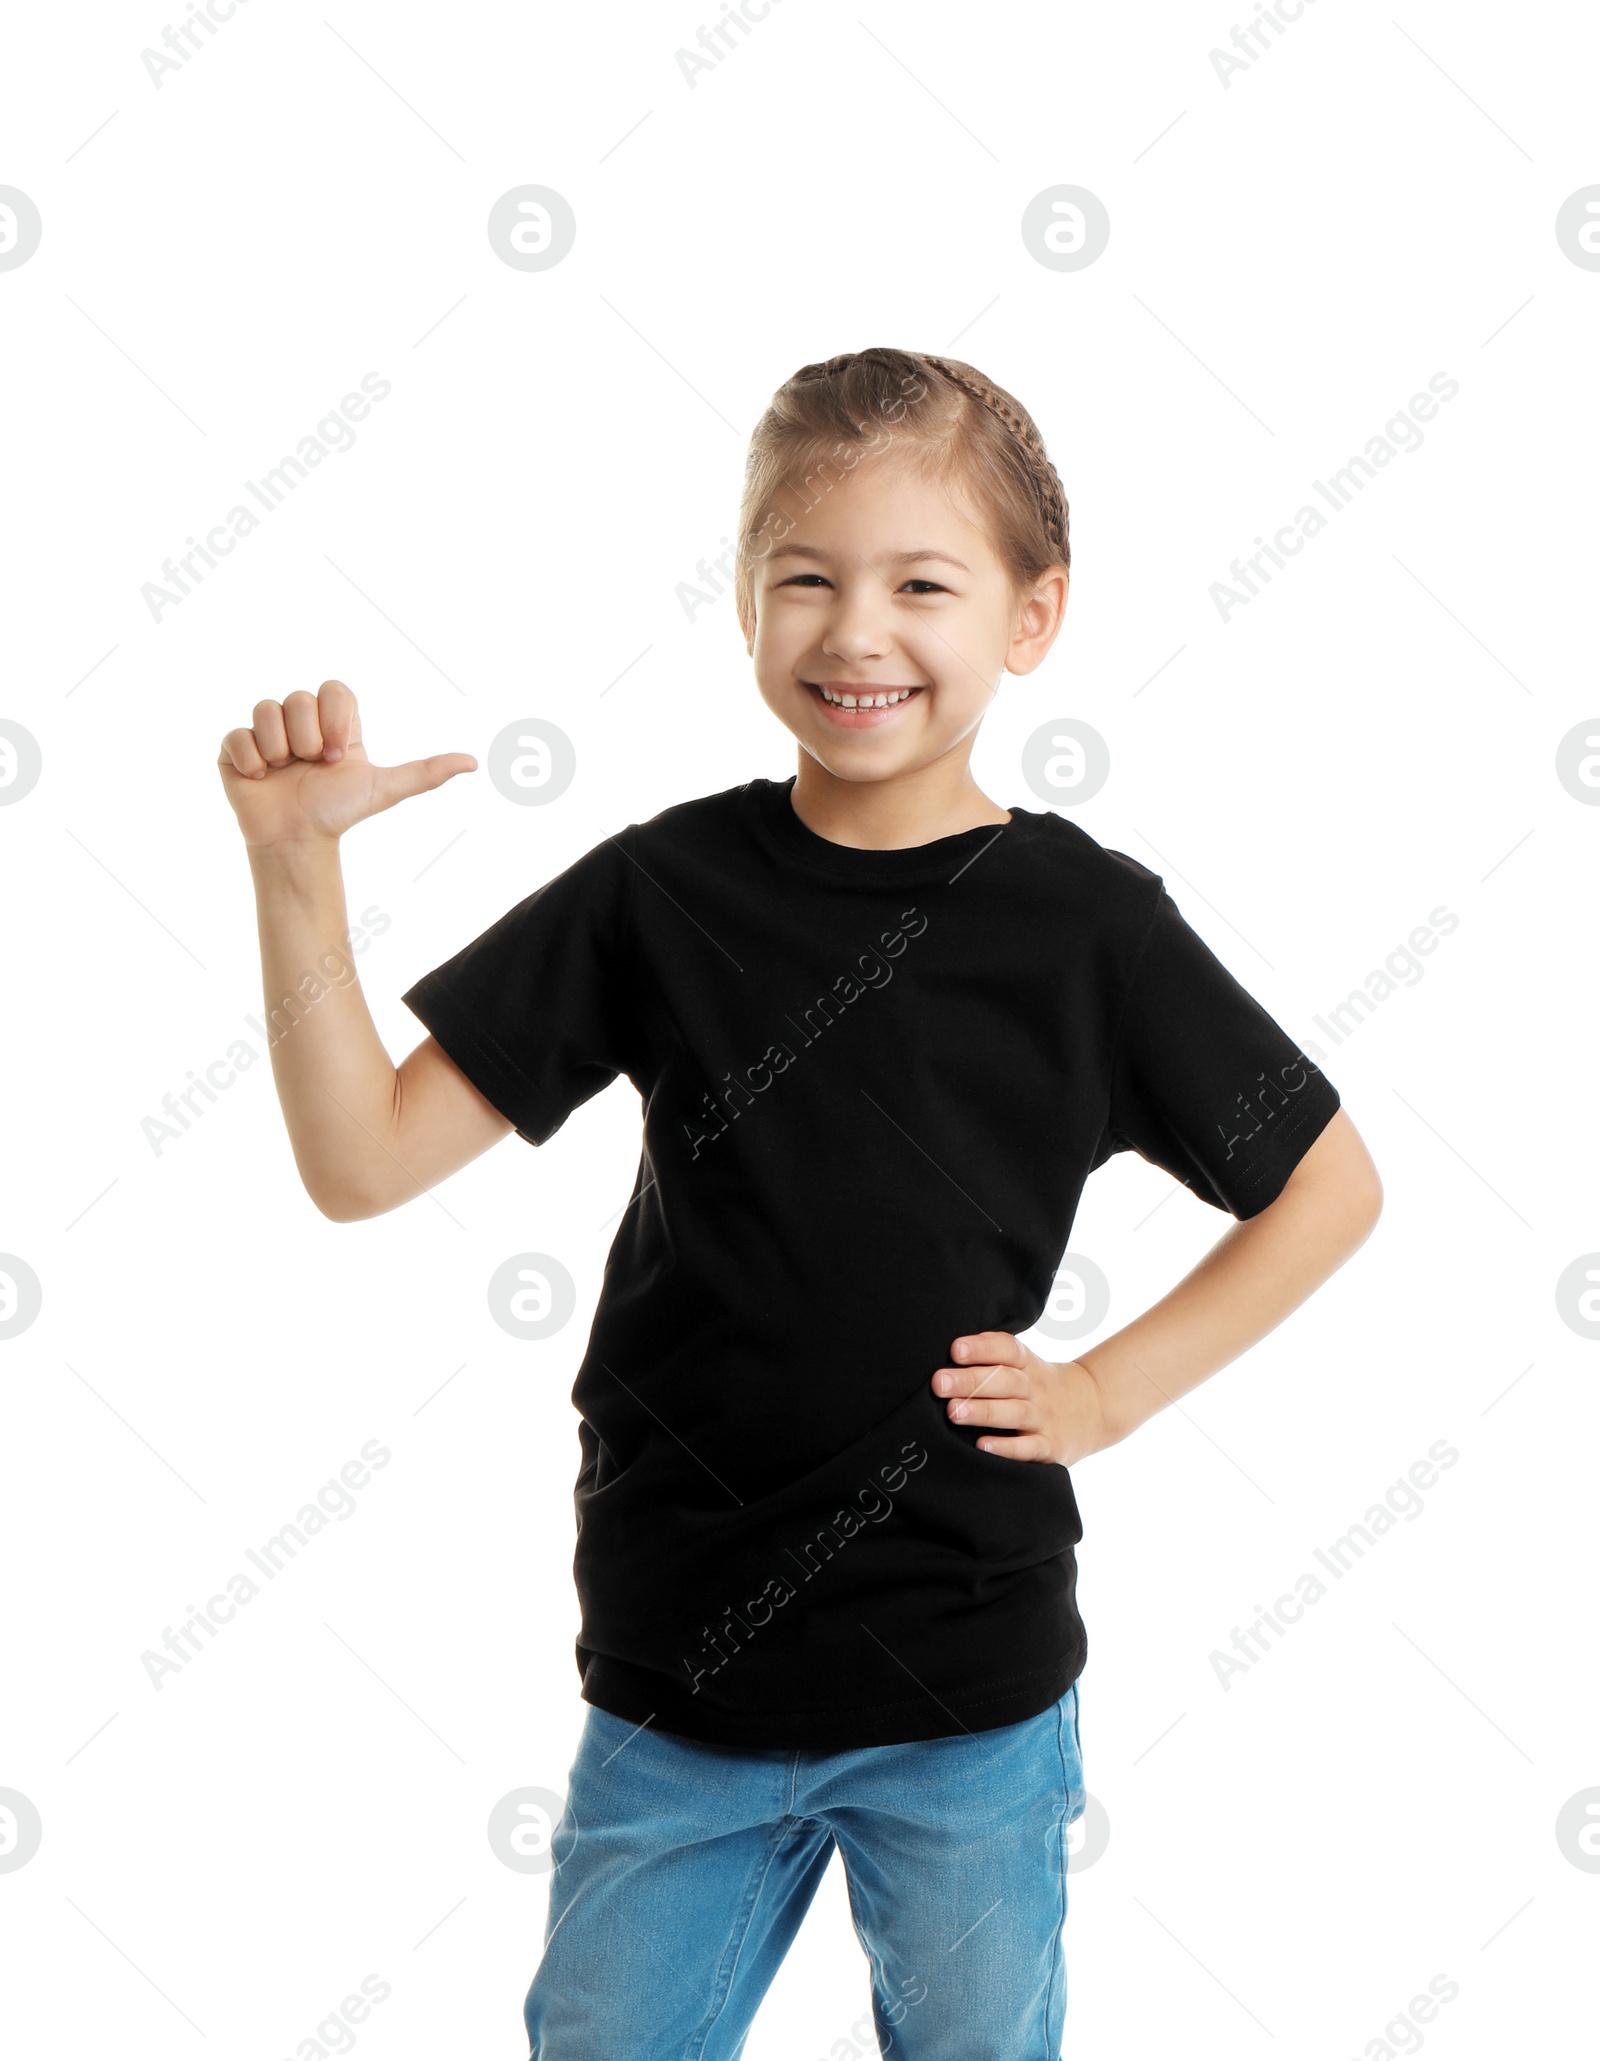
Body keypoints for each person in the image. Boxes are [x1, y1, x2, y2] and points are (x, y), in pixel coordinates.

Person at [218, 346, 1383, 2059]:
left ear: (1032, 613)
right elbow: (362, 1161)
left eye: (924, 583)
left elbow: (1329, 1187)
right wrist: (293, 866)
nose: (857, 632)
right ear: (745, 600)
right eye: (805, 578)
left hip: (966, 1688)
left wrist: (1103, 1393)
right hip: (677, 1679)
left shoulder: (1091, 927)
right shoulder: (658, 889)